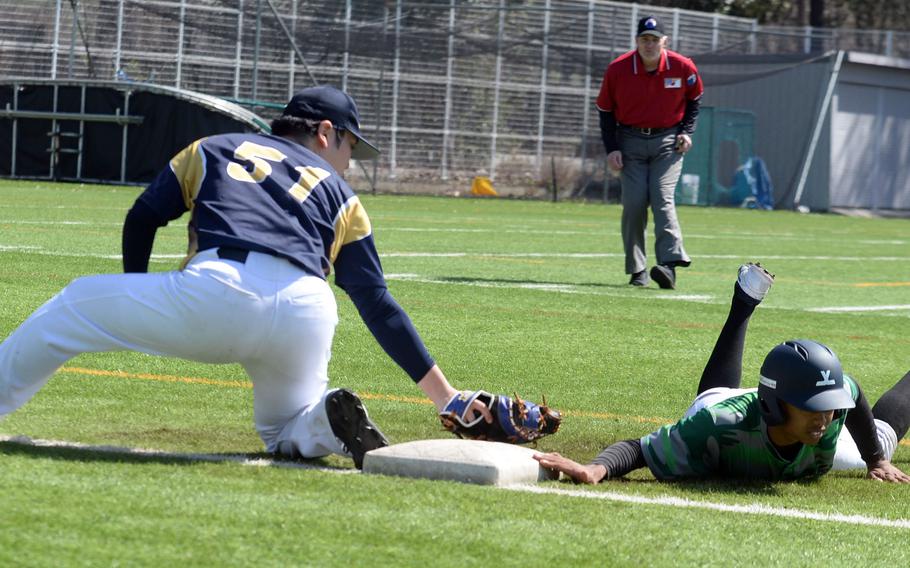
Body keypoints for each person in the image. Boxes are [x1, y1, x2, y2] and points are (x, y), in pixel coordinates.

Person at [0, 85, 496, 470]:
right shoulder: (342, 195)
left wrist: (135, 286)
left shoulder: (212, 147)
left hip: (220, 292)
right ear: (325, 132)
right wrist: (446, 396)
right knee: (283, 429)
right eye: (350, 145)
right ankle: (326, 422)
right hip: (309, 310)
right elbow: (376, 303)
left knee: (73, 303)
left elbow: (143, 217)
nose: (349, 161)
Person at [534, 263, 910, 483]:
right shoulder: (719, 422)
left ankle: (746, 300)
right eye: (812, 407)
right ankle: (743, 302)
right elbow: (641, 448)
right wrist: (595, 469)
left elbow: (851, 389)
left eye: (829, 407)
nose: (826, 418)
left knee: (877, 442)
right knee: (710, 400)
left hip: (776, 426)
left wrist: (876, 458)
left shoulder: (831, 411)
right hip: (731, 414)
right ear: (776, 405)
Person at [595, 15, 703, 289]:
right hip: (630, 141)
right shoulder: (618, 69)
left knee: (661, 198)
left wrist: (686, 131)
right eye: (644, 39)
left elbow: (694, 99)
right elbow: (605, 111)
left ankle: (668, 265)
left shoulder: (682, 67)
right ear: (636, 41)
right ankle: (638, 270)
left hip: (667, 142)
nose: (649, 44)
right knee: (633, 204)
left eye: (655, 40)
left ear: (664, 42)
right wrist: (612, 149)